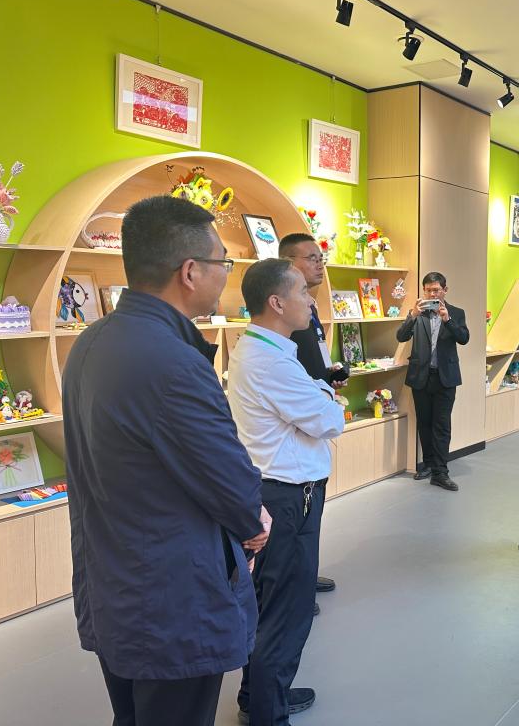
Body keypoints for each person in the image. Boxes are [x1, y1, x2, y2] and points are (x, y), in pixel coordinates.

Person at [62, 195, 268, 726]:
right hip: (173, 596)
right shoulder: (174, 361)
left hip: (114, 581)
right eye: (223, 262)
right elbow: (229, 481)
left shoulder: (91, 341)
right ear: (190, 271)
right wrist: (255, 523)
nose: (226, 274)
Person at [228, 258, 345, 725]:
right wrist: (327, 397)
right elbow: (329, 420)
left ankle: (257, 695)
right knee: (287, 611)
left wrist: (319, 393)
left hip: (276, 491)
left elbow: (313, 400)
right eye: (303, 291)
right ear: (276, 302)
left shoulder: (264, 348)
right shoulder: (270, 361)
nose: (311, 300)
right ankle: (267, 713)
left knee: (267, 604)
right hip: (289, 497)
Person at [279, 233, 347, 600]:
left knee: (311, 514)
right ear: (288, 264)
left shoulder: (309, 307)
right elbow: (294, 369)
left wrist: (328, 374)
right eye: (311, 258)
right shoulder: (286, 315)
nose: (320, 264)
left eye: (321, 257)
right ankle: (296, 587)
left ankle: (305, 574)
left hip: (315, 407)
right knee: (298, 513)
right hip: (298, 416)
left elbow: (313, 357)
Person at [396, 272, 470, 491]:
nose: (432, 294)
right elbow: (401, 336)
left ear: (445, 290)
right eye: (428, 290)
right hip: (421, 376)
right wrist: (412, 315)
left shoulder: (456, 313)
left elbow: (464, 338)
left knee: (442, 425)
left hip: (446, 377)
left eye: (436, 290)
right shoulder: (418, 313)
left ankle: (441, 472)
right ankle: (428, 465)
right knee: (425, 423)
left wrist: (448, 320)